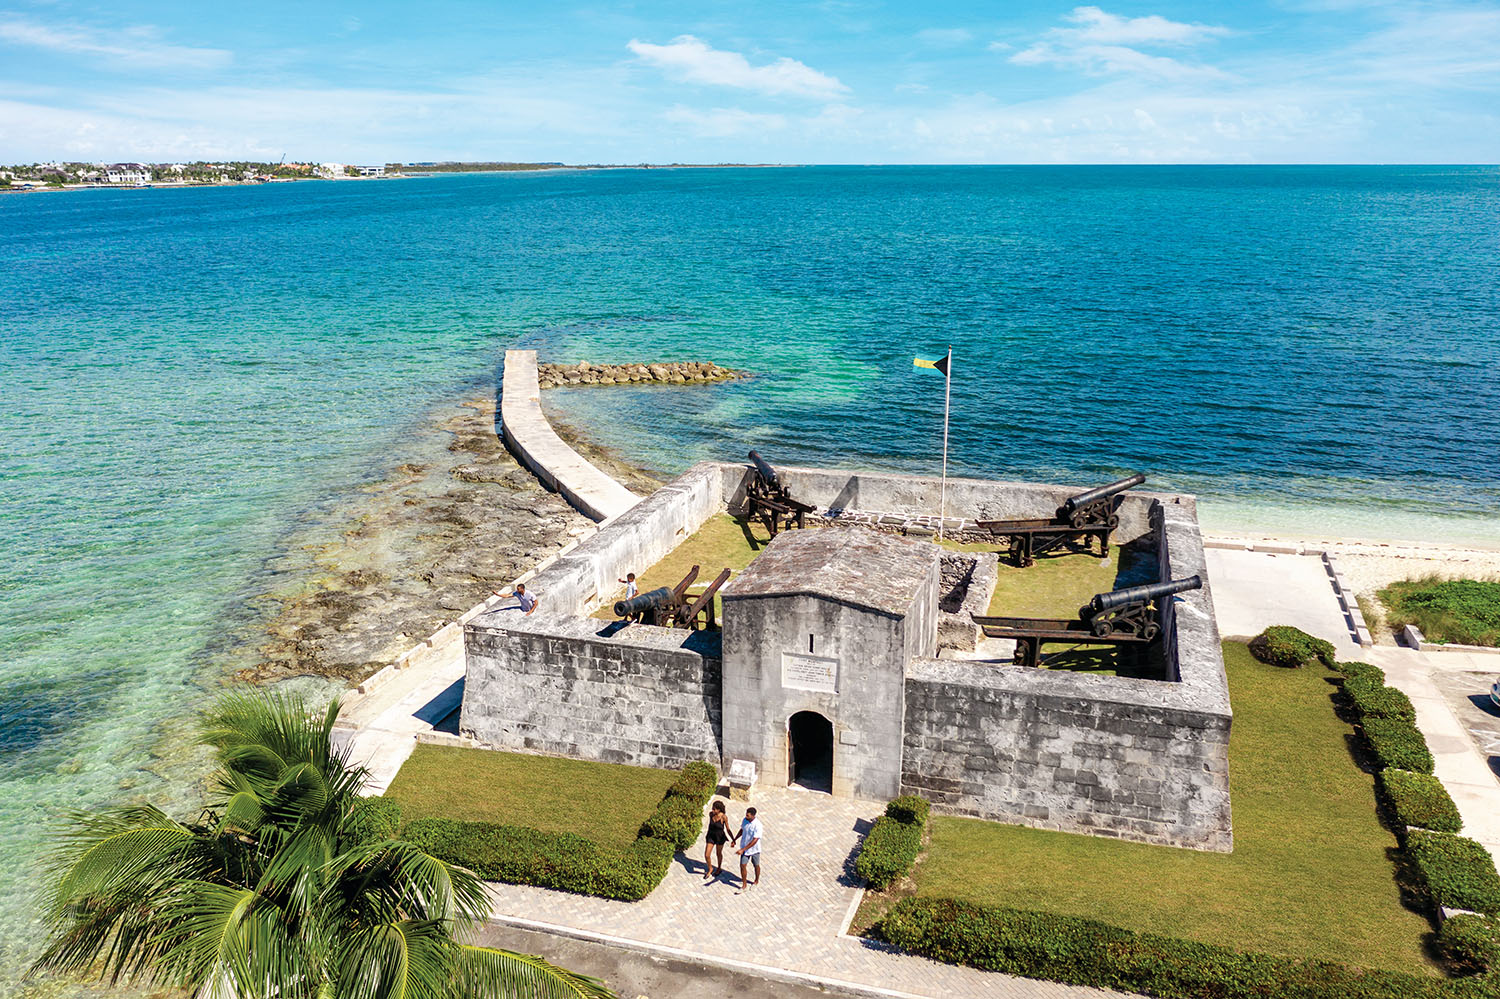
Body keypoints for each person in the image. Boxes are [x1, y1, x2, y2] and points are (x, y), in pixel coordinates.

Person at [733, 806, 762, 893]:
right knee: (742, 865)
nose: (746, 816)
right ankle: (744, 885)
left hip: (754, 850)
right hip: (744, 849)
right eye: (746, 814)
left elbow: (755, 840)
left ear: (753, 816)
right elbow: (742, 830)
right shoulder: (745, 820)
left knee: (756, 865)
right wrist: (735, 839)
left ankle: (756, 881)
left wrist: (743, 849)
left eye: (748, 815)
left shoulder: (758, 825)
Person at [703, 800, 730, 881]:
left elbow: (728, 829)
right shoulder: (711, 814)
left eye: (714, 809)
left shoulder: (724, 817)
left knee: (718, 853)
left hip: (719, 837)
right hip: (711, 836)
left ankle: (719, 868)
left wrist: (733, 839)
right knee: (707, 854)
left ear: (719, 810)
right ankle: (710, 868)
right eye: (712, 808)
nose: (712, 810)